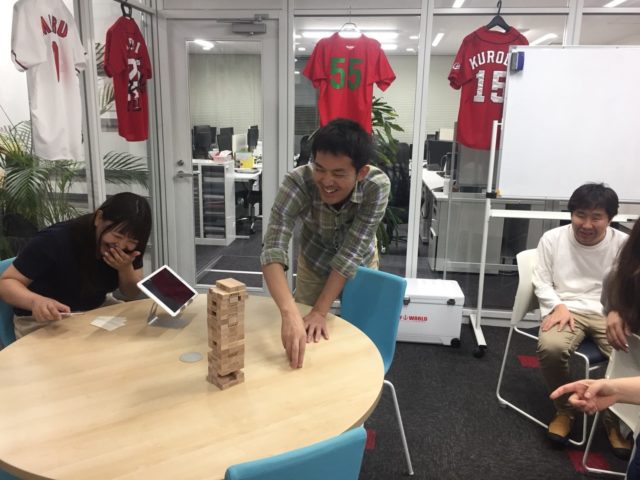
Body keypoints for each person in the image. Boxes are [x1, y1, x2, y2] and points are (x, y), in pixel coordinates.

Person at [260, 118, 390, 369]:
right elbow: (273, 246)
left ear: (361, 173)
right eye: (319, 169)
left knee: (362, 340)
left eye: (339, 173)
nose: (327, 181)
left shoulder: (376, 186)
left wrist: (320, 311)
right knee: (305, 334)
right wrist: (289, 313)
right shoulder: (298, 182)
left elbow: (351, 253)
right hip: (314, 258)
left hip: (360, 263)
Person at [533, 183, 631, 455]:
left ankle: (615, 420)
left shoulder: (623, 244)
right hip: (565, 307)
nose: (586, 224)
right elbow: (541, 280)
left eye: (596, 217)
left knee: (629, 354)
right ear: (571, 214)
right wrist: (557, 305)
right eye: (580, 215)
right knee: (552, 347)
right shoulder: (552, 239)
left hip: (608, 311)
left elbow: (626, 285)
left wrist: (617, 309)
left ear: (610, 219)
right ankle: (565, 410)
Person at [0, 192, 152, 338]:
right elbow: (7, 282)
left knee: (140, 335)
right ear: (98, 218)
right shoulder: (55, 239)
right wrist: (36, 302)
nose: (121, 245)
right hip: (45, 317)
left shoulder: (130, 250)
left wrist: (125, 269)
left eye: (132, 241)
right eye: (117, 235)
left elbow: (131, 293)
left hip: (94, 309)